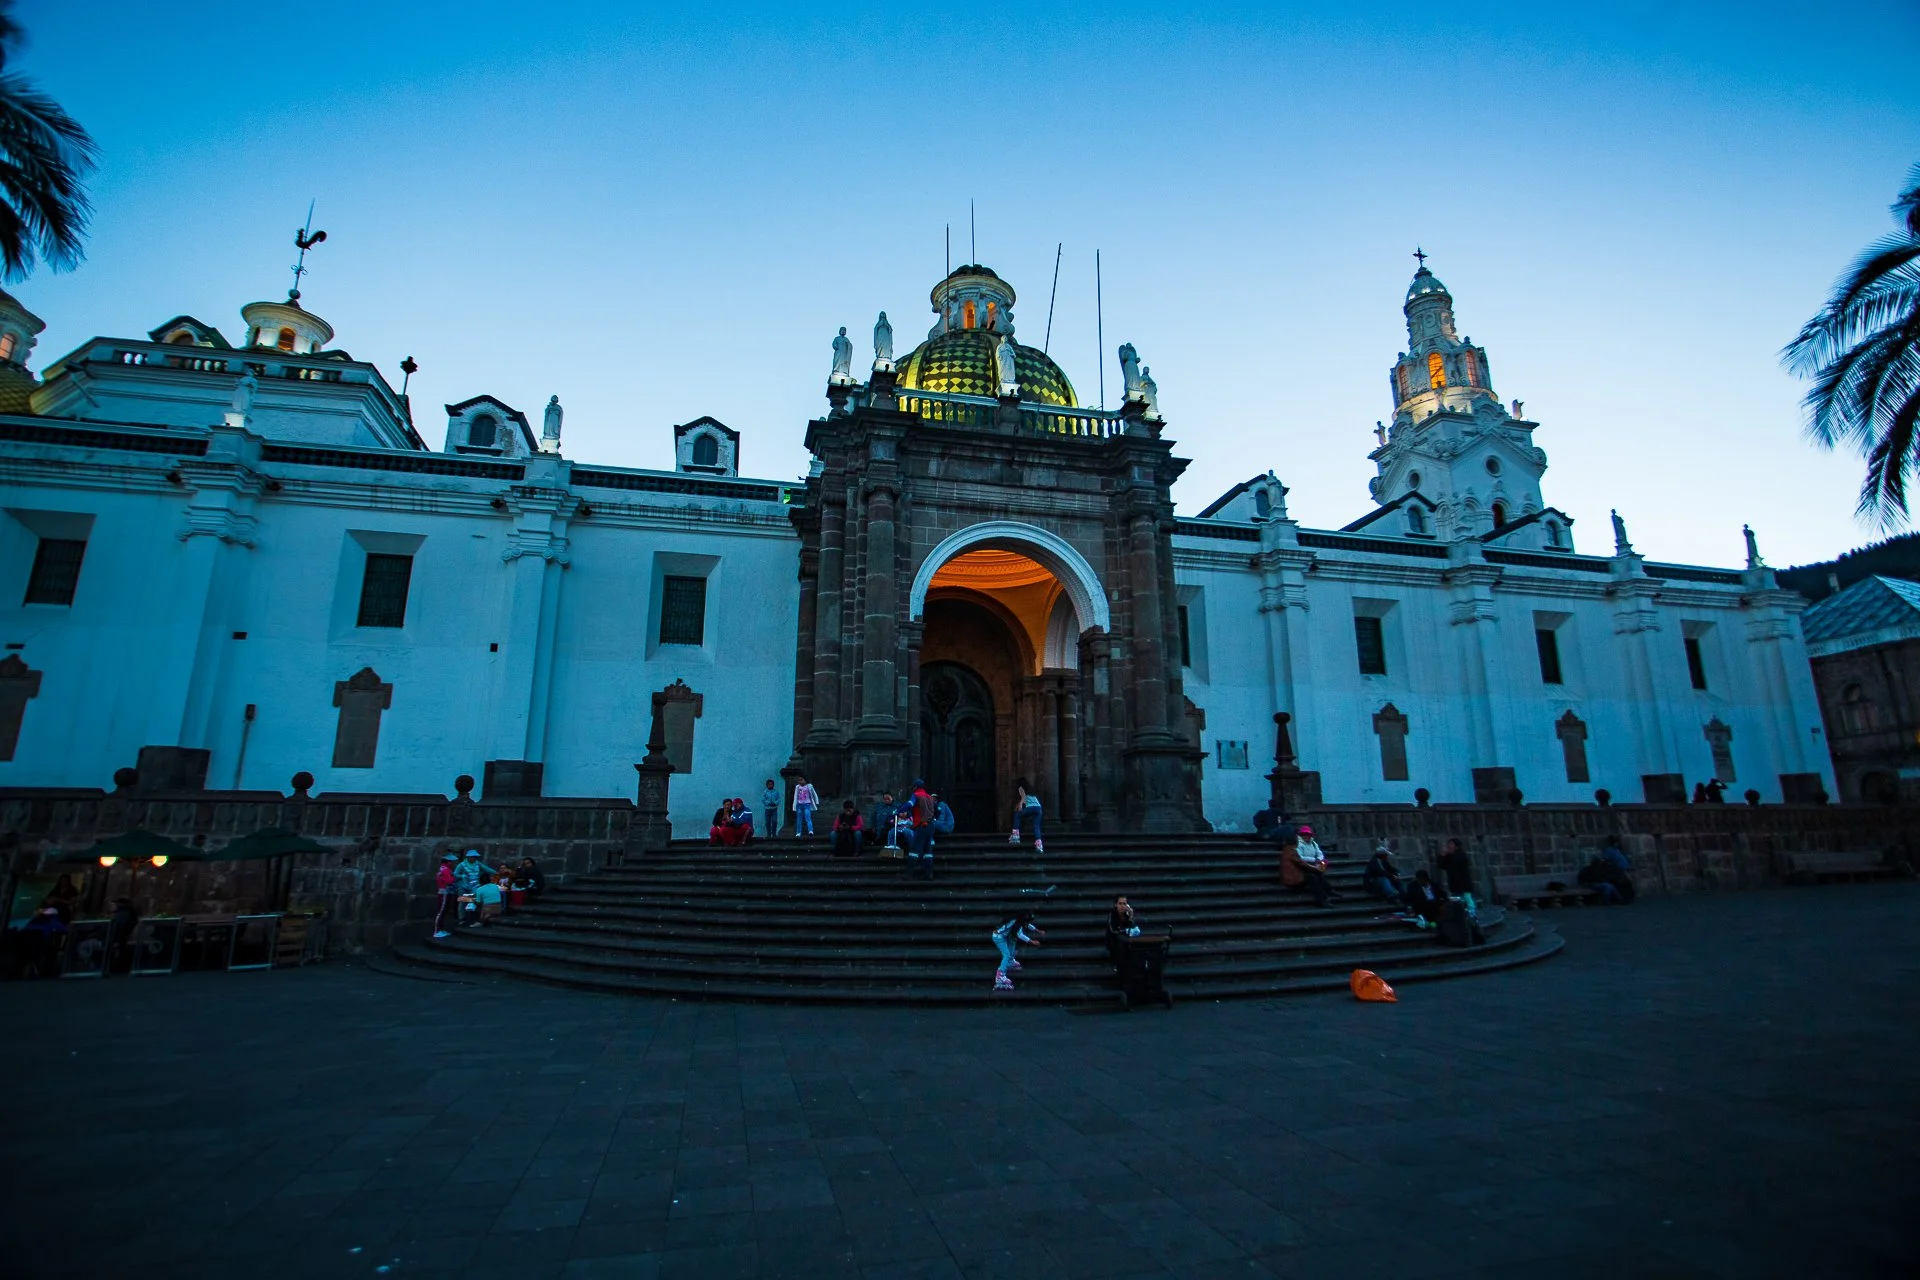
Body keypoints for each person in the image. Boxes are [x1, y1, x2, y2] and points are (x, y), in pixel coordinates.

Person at [991, 912, 1045, 991]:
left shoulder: (1019, 920)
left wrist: (1037, 930)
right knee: (1006, 955)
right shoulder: (1016, 923)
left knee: (1013, 940)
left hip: (1005, 936)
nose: (1027, 923)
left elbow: (1027, 925)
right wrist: (1031, 941)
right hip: (998, 937)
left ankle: (1010, 961)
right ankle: (1000, 975)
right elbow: (1020, 935)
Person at [1278, 829, 1331, 907]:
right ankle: (1322, 900)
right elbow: (1301, 862)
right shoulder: (1290, 851)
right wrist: (1315, 867)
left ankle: (1328, 891)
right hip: (1292, 879)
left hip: (1295, 874)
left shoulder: (1289, 850)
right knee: (1312, 877)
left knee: (1315, 873)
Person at [1297, 825, 1341, 900]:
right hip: (1304, 866)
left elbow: (1319, 853)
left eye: (1308, 834)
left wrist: (1319, 859)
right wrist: (1314, 860)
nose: (1306, 836)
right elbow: (1300, 857)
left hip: (1314, 865)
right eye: (1304, 835)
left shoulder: (1313, 843)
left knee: (1320, 874)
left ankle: (1329, 890)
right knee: (1313, 878)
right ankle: (1322, 898)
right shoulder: (1299, 844)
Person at [905, 779, 936, 879]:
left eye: (913, 787)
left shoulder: (916, 795)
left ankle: (909, 874)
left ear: (916, 787)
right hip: (931, 825)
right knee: (928, 850)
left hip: (922, 825)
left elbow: (909, 804)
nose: (912, 789)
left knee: (915, 849)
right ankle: (929, 873)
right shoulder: (930, 797)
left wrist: (898, 810)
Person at [1008, 778, 1045, 853]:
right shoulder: (1031, 790)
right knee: (1036, 826)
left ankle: (1015, 835)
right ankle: (1039, 845)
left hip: (1031, 807)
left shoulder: (1021, 788)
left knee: (1017, 815)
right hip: (1038, 808)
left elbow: (1024, 797)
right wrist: (1019, 804)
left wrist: (1021, 805)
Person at [1105, 896, 1140, 968]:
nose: (1122, 906)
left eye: (1124, 904)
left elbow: (1134, 929)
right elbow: (1113, 930)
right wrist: (1124, 931)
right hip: (1114, 941)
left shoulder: (1127, 915)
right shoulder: (1112, 915)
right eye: (1120, 904)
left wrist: (1130, 917)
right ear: (1116, 905)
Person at [1438, 838, 1474, 907]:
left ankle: (1472, 914)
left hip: (1464, 883)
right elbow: (1442, 866)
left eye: (1451, 844)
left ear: (1456, 846)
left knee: (1468, 900)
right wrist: (1442, 856)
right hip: (1453, 883)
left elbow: (1461, 864)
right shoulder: (1448, 856)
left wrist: (1450, 855)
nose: (1449, 846)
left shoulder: (1461, 855)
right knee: (1456, 901)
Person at [432, 851, 459, 938]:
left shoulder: (442, 868)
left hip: (443, 891)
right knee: (441, 912)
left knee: (443, 911)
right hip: (444, 892)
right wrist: (453, 878)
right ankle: (437, 931)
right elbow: (449, 881)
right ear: (448, 862)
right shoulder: (446, 870)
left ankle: (441, 929)